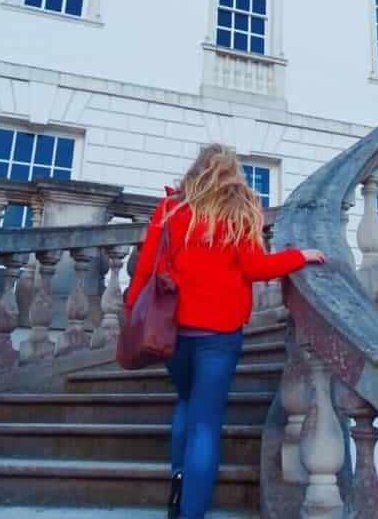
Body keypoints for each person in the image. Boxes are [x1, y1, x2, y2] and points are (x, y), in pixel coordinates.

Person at [125, 144, 325, 519]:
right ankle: (191, 513)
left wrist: (131, 311)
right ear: (232, 173)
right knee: (205, 422)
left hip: (172, 330)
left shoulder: (170, 210)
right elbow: (256, 268)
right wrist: (301, 256)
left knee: (185, 401)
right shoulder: (238, 212)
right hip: (218, 333)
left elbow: (145, 267)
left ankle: (179, 483)